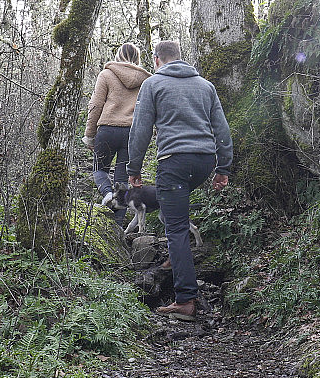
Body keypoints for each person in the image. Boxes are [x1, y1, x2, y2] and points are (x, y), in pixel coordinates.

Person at [127, 40, 233, 321]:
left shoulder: (153, 84)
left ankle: (186, 300)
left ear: (157, 59)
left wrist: (133, 167)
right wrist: (224, 167)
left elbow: (141, 129)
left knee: (174, 226)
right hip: (204, 161)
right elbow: (221, 129)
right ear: (180, 58)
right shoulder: (205, 86)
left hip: (174, 161)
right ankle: (179, 257)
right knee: (175, 211)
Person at [82, 43, 151, 226]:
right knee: (122, 181)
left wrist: (90, 134)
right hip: (131, 133)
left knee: (99, 169)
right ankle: (118, 227)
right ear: (137, 58)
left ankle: (106, 194)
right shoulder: (146, 81)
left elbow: (95, 105)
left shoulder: (106, 74)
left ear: (118, 55)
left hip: (107, 130)